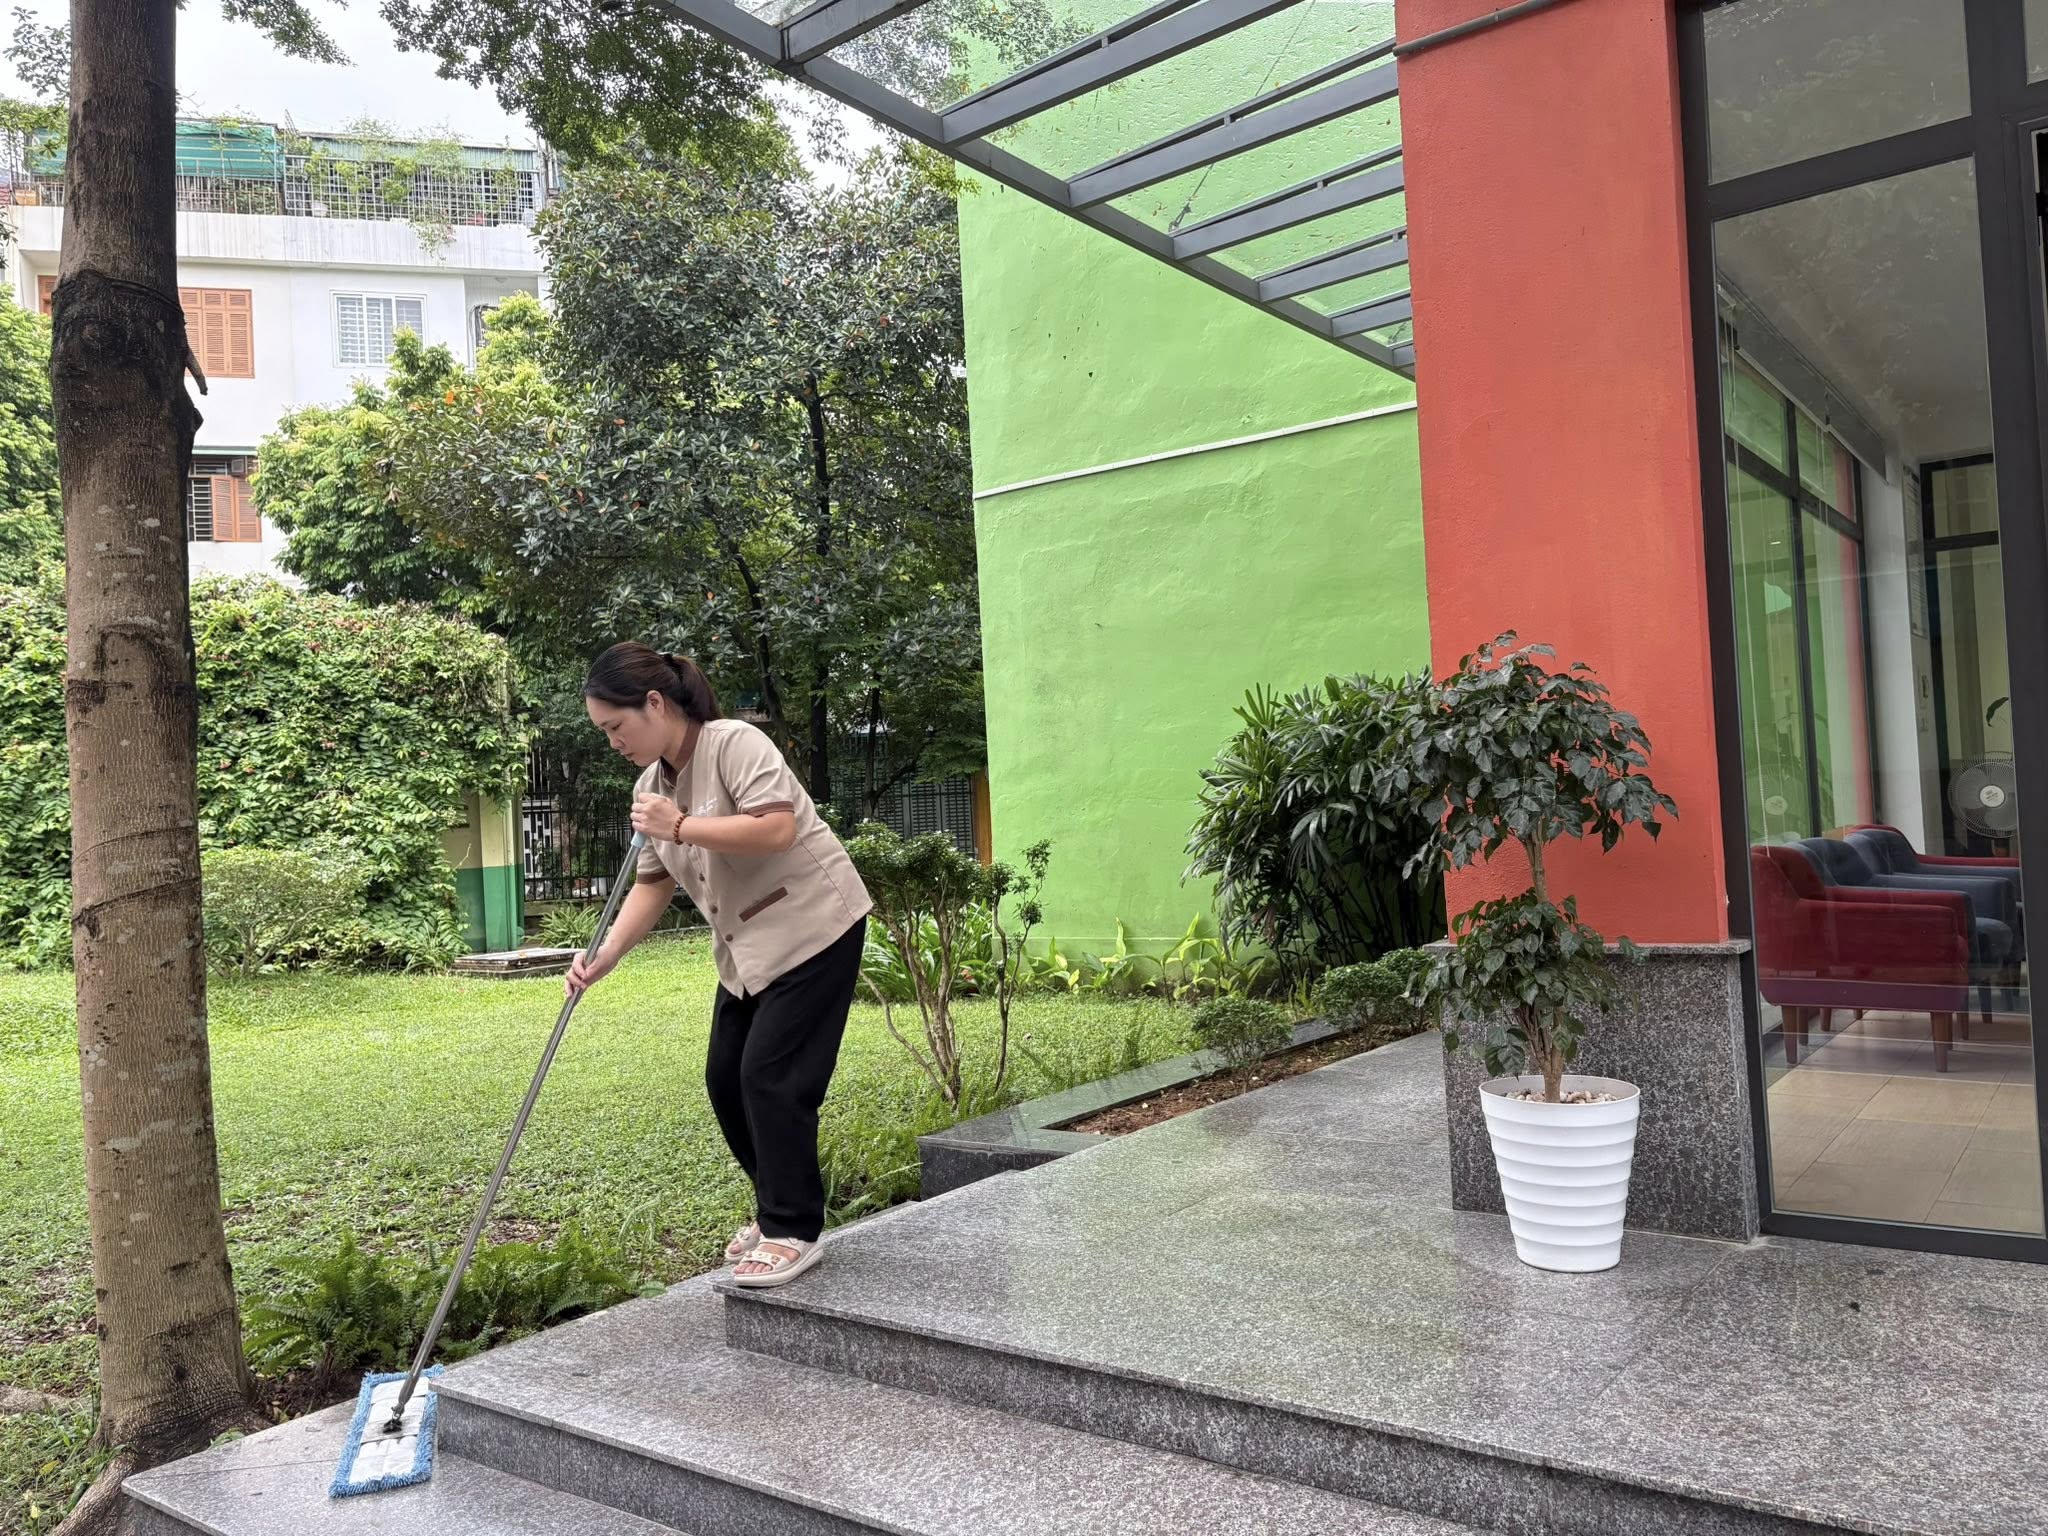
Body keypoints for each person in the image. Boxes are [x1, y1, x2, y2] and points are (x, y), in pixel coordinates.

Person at [566, 641, 872, 1289]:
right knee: (726, 1079)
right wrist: (605, 955)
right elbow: (652, 884)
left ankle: (793, 1228)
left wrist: (679, 825)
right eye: (603, 733)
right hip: (745, 949)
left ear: (654, 703)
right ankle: (775, 1205)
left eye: (616, 727)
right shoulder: (650, 788)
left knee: (771, 1077)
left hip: (815, 927)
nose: (613, 742)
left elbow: (776, 829)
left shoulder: (734, 743)